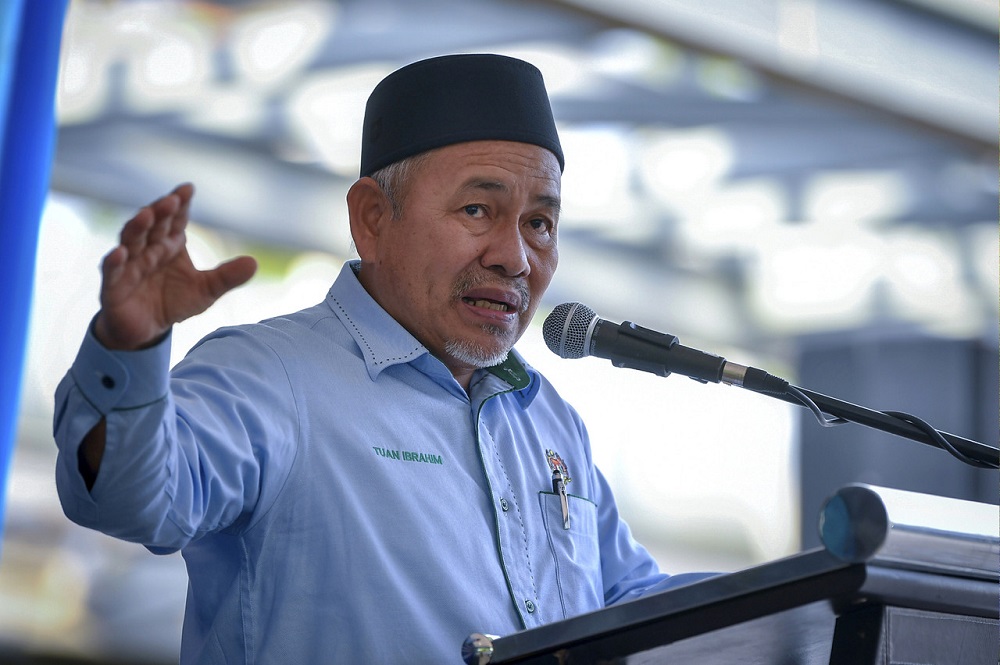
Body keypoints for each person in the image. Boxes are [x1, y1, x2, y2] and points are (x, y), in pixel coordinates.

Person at [53, 54, 704, 664]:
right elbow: (131, 499)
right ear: (372, 218)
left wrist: (802, 590)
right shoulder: (270, 376)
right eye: (478, 209)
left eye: (540, 223)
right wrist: (129, 348)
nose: (515, 257)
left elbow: (626, 602)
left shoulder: (548, 422)